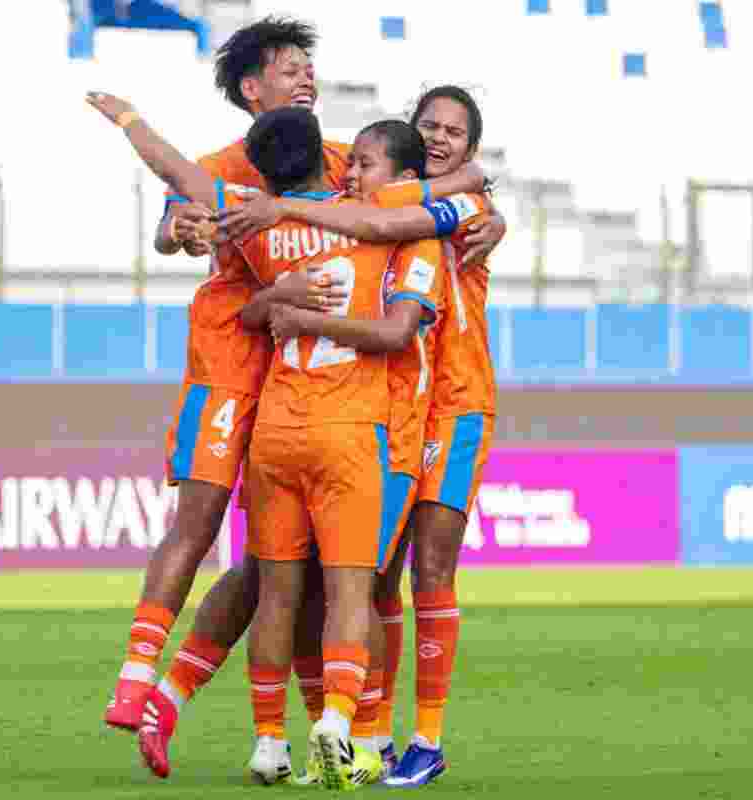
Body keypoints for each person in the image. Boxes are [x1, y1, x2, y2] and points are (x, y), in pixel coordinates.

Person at [89, 75, 490, 781]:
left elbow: (184, 179)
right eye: (351, 163)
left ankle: (263, 735)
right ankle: (351, 731)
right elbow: (396, 322)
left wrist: (128, 120)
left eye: (364, 163)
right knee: (352, 586)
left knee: (279, 582)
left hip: (279, 425)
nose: (354, 170)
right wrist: (474, 186)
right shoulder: (399, 222)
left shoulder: (260, 218)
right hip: (356, 428)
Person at [220, 85, 504, 787]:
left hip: (456, 403)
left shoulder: (461, 209)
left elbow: (391, 221)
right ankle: (367, 737)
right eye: (430, 126)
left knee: (430, 569)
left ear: (469, 147)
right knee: (373, 577)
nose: (441, 137)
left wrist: (282, 210)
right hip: (394, 405)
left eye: (455, 132)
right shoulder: (371, 194)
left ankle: (427, 740)